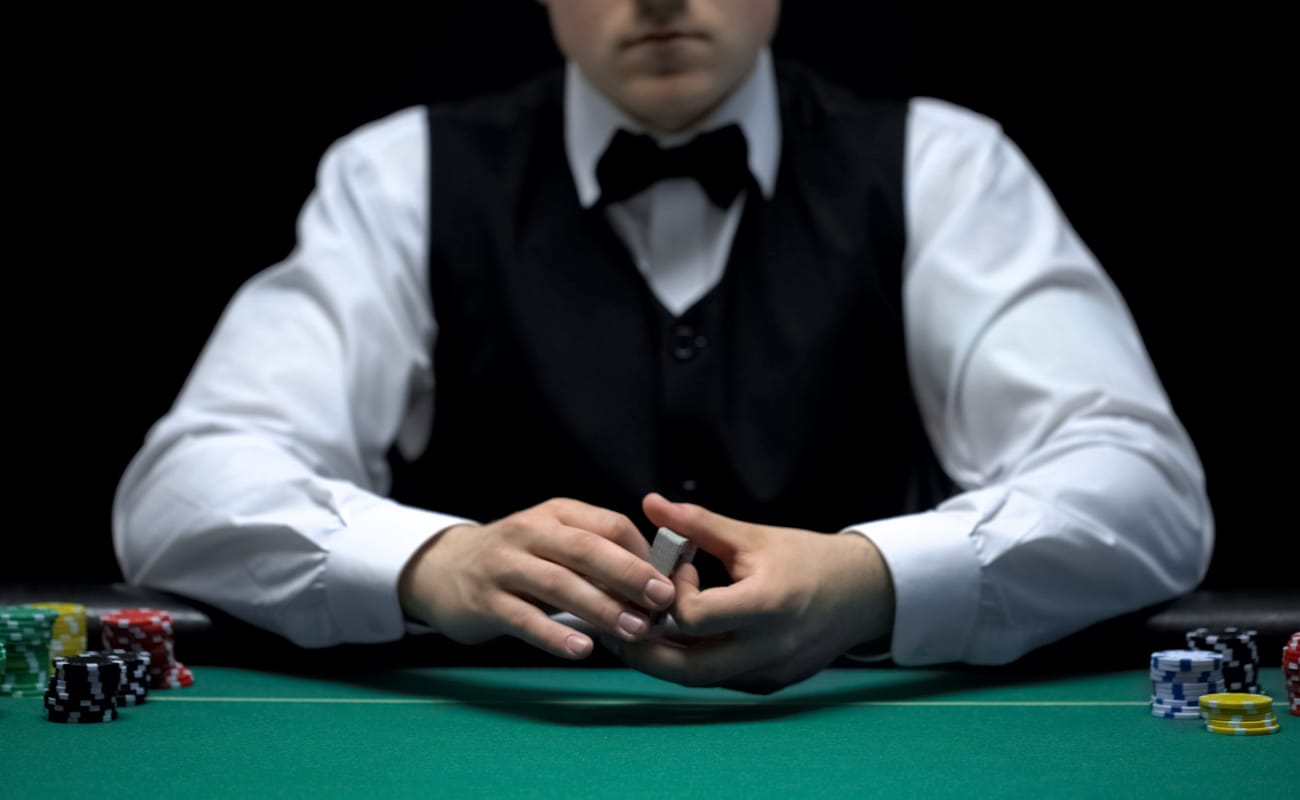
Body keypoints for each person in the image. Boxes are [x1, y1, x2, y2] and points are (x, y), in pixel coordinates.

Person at [112, 0, 1213, 694]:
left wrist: (870, 578)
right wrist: (429, 561)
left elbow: (1141, 481)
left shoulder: (947, 166)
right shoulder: (395, 176)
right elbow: (184, 483)